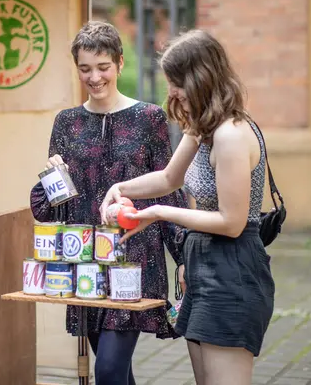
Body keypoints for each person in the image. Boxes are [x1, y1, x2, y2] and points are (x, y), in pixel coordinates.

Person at [100, 29, 275, 385]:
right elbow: (168, 179)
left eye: (176, 83)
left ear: (200, 77)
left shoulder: (230, 135)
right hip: (202, 265)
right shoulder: (203, 126)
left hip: (233, 270)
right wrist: (117, 187)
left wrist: (159, 213)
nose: (172, 93)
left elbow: (232, 222)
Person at [30, 21, 187, 385]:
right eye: (85, 69)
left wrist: (182, 256)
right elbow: (47, 208)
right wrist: (51, 176)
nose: (94, 77)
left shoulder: (149, 118)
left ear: (119, 63)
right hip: (85, 260)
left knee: (110, 371)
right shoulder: (65, 123)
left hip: (136, 259)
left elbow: (167, 187)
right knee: (116, 372)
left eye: (102, 67)